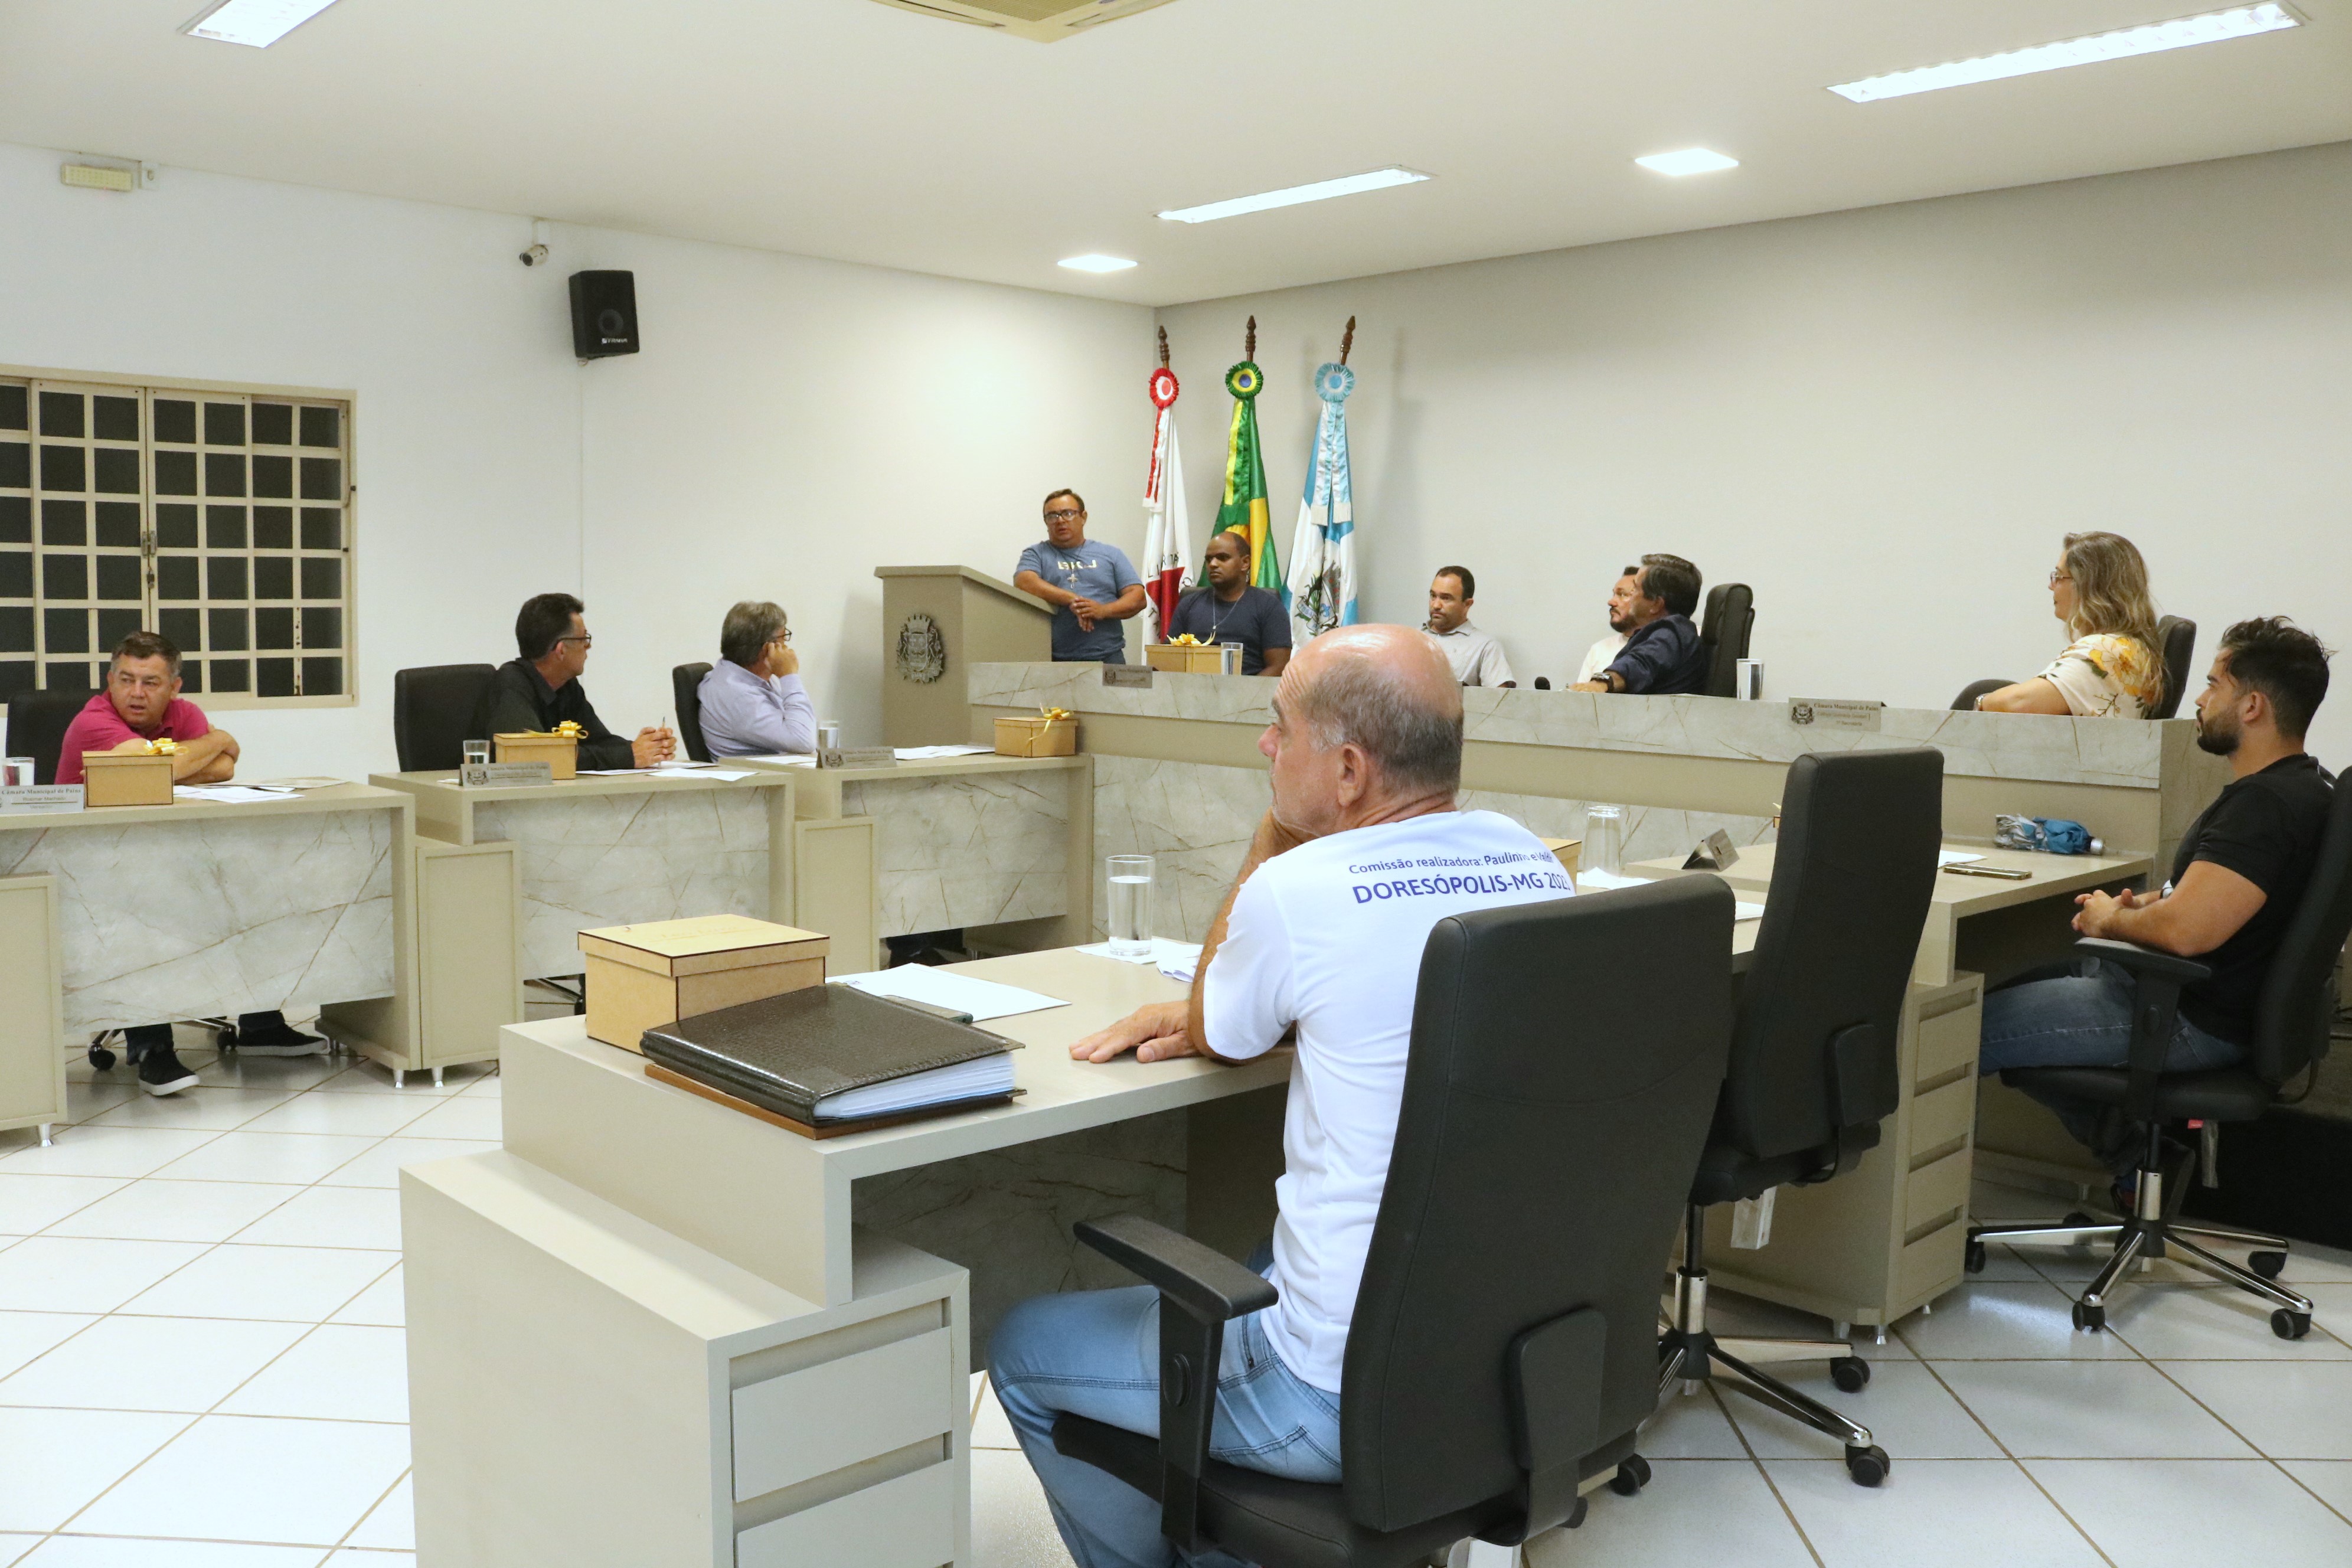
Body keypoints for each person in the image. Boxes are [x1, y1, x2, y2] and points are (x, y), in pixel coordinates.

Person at [988, 623, 1575, 1568]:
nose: (1265, 745)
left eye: (1281, 727)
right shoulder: (1529, 862)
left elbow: (1219, 1031)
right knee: (1258, 1255)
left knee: (1022, 1346)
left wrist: (1274, 840)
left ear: (1348, 771)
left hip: (1332, 1396)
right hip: (1497, 1364)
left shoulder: (1299, 889)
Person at [1978, 617, 2332, 1187]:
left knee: (1957, 1031)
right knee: (2002, 991)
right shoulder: (2306, 786)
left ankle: (2128, 1163)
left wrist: (2110, 919)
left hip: (2186, 1019)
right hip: (2205, 1003)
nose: (2200, 699)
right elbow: (2215, 900)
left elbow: (2187, 933)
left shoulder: (2263, 808)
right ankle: (2137, 1166)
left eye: (2214, 684)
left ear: (2252, 707)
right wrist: (2147, 906)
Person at [60, 632, 328, 1095]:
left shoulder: (184, 715)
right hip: (86, 867)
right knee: (140, 910)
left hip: (166, 852)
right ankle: (151, 1048)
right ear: (110, 680)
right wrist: (218, 739)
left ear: (174, 687)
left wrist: (175, 763)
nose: (136, 693)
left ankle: (260, 1026)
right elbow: (170, 762)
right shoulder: (93, 721)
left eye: (150, 683)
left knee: (250, 888)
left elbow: (224, 770)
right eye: (125, 680)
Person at [473, 593, 674, 769]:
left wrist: (647, 748)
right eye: (584, 639)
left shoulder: (567, 686)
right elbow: (534, 757)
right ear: (561, 650)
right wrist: (628, 756)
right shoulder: (511, 684)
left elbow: (599, 741)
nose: (588, 646)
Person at [1975, 532, 2164, 717]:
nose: (2051, 586)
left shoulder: (2107, 651)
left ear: (2088, 585)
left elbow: (2017, 703)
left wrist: (1979, 702)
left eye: (2059, 577)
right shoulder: (2132, 648)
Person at [1014, 489, 1146, 664]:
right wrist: (1073, 600)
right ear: (1046, 522)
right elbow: (1024, 581)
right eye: (1052, 516)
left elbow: (1138, 597)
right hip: (1054, 659)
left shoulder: (1110, 554)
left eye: (1068, 513)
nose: (1060, 520)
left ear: (1083, 517)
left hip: (1109, 657)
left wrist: (1102, 610)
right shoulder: (1036, 554)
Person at [1572, 553, 1707, 695]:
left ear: (1656, 604)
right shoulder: (1675, 633)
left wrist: (1603, 682)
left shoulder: (1672, 633)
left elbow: (1642, 662)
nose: (1631, 597)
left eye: (1635, 589)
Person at [697, 600, 815, 757]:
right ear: (768, 648)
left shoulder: (744, 677)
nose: (786, 646)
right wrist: (789, 676)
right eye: (784, 637)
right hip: (758, 773)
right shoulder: (737, 696)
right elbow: (804, 741)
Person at [1165, 530, 1292, 675]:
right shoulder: (1188, 605)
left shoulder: (1269, 607)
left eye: (1223, 558)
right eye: (1209, 559)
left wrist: (1243, 690)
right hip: (1192, 686)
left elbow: (1278, 667)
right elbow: (1169, 658)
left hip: (1247, 687)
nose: (1213, 564)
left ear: (1245, 563)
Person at [1423, 564, 1514, 687]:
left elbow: (1498, 697)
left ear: (1467, 604)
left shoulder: (1486, 647)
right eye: (1433, 596)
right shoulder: (1411, 638)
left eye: (1446, 598)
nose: (1436, 605)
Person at [1573, 565, 1640, 684]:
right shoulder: (1599, 650)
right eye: (1614, 594)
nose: (1611, 602)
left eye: (1622, 595)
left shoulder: (1662, 650)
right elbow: (1581, 695)